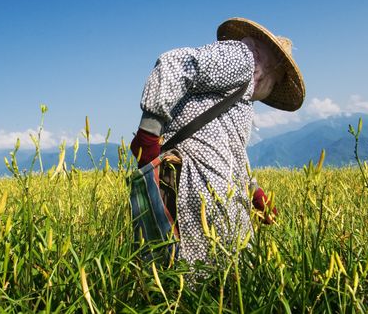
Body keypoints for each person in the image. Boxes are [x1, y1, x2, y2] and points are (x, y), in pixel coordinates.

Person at [130, 17, 305, 268]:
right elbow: (175, 63)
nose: (270, 91)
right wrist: (149, 133)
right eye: (275, 84)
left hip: (219, 202)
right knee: (195, 277)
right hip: (195, 186)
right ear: (269, 70)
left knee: (223, 279)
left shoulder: (241, 95)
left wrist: (253, 191)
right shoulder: (242, 58)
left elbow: (230, 149)